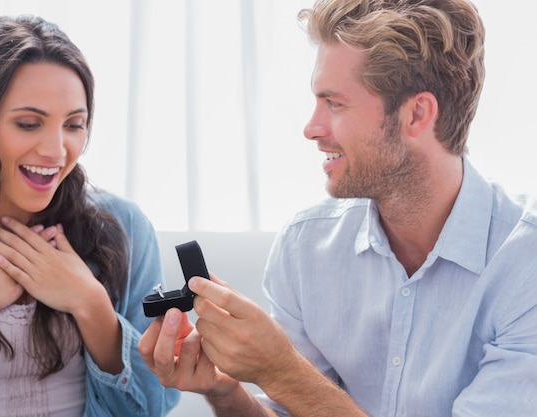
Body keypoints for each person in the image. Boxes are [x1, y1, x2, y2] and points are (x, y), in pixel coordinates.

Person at [139, 0, 537, 415]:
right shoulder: (305, 247)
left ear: (417, 114)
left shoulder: (525, 266)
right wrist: (225, 391)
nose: (311, 128)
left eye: (335, 103)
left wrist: (281, 371)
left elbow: (292, 382)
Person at [0, 14, 180, 416]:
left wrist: (91, 304)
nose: (56, 151)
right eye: (28, 123)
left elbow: (152, 406)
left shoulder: (126, 228)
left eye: (74, 125)